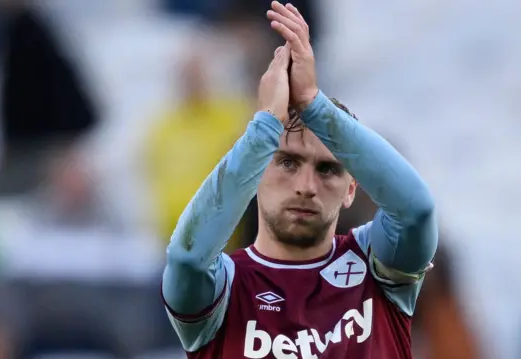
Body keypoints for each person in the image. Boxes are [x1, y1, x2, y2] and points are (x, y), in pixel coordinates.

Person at [161, 1, 438, 358]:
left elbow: (416, 211)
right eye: (288, 163)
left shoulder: (377, 270)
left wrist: (313, 103)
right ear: (255, 174)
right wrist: (263, 132)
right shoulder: (222, 289)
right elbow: (186, 259)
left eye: (327, 169)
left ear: (351, 188)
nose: (306, 186)